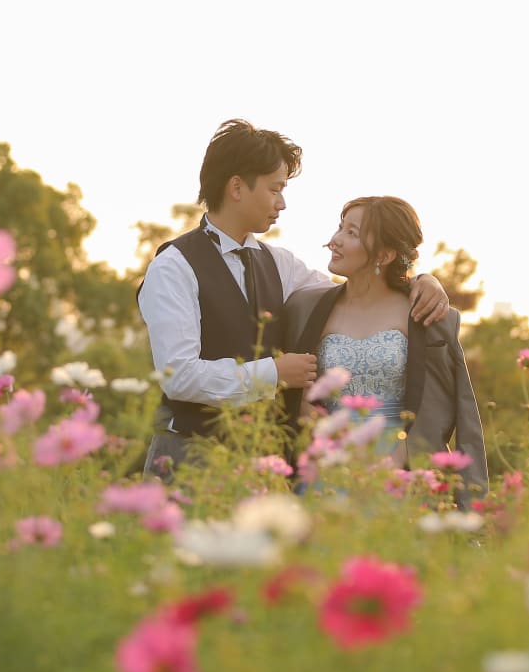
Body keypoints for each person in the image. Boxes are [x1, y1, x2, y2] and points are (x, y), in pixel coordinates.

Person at [137, 120, 450, 479]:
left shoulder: (278, 263)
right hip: (188, 460)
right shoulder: (173, 267)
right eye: (275, 189)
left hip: (260, 464)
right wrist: (275, 372)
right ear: (237, 187)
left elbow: (356, 294)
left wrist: (421, 281)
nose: (282, 203)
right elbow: (179, 377)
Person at [283, 195, 488, 507]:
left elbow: (461, 412)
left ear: (385, 254)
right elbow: (299, 401)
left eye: (351, 233)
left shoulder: (429, 317)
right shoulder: (305, 308)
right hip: (327, 470)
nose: (335, 240)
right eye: (340, 228)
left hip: (402, 470)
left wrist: (473, 505)